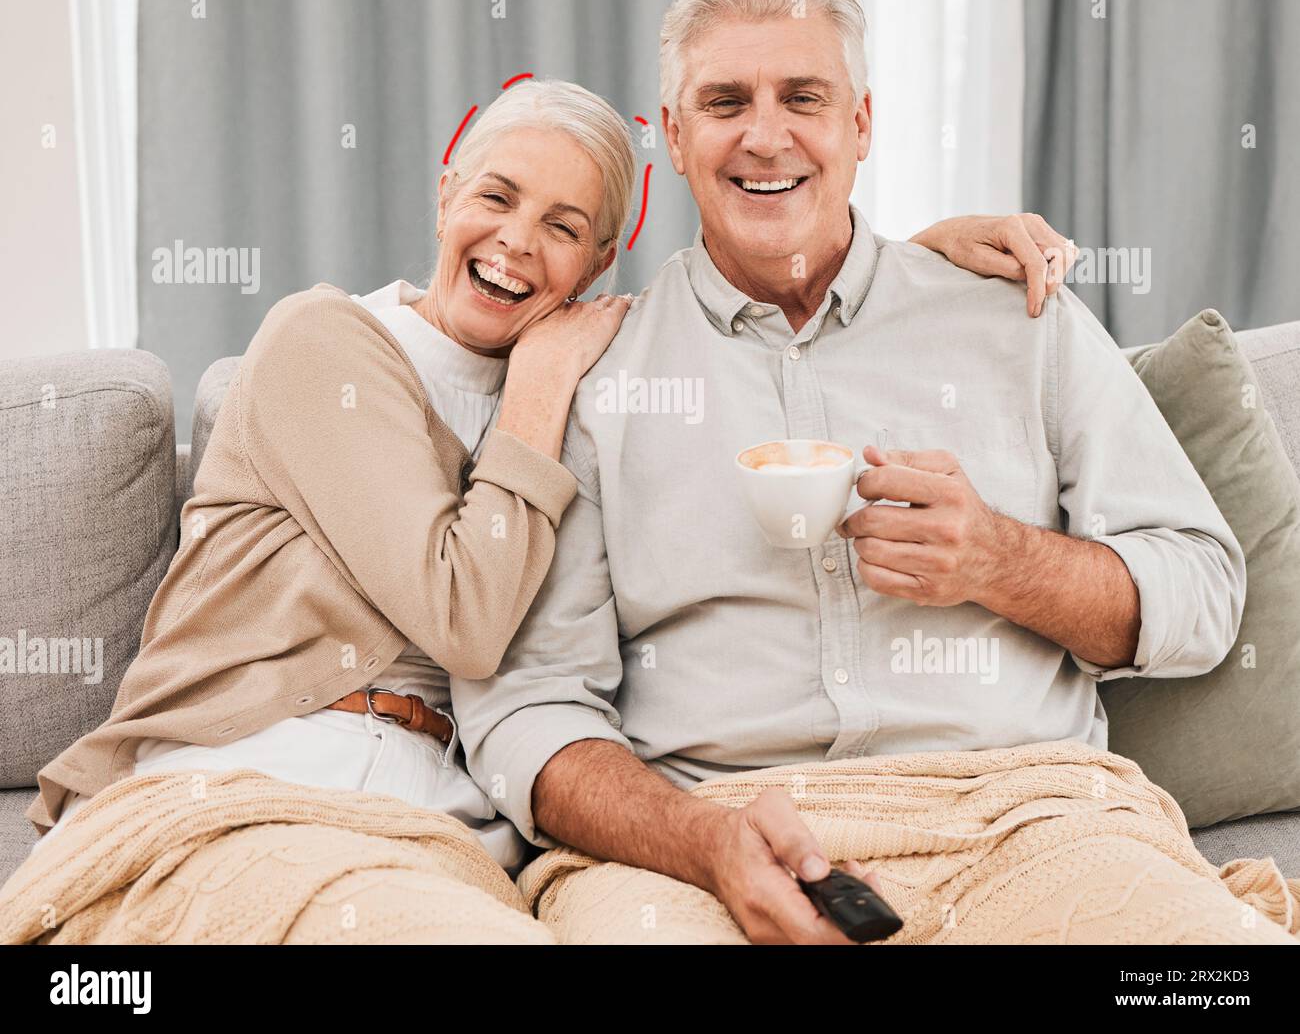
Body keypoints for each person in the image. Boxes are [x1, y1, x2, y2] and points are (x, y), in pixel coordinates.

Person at [20, 75, 1059, 912]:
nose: (518, 241)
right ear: (444, 192)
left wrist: (912, 262)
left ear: (597, 265)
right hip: (259, 772)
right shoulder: (325, 342)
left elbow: (746, 329)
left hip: (442, 820)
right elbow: (464, 619)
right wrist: (543, 384)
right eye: (496, 196)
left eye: (565, 226)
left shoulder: (600, 382)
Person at [447, 0, 1284, 945]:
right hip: (707, 840)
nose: (766, 134)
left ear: (861, 124)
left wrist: (1001, 560)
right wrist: (700, 838)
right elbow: (526, 707)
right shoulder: (592, 372)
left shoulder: (1016, 318)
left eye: (803, 96)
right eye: (724, 101)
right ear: (672, 135)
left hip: (1027, 816)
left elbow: (1200, 591)